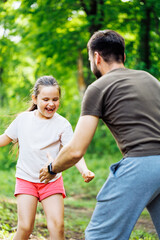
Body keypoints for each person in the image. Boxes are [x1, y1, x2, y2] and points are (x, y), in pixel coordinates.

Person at [39, 30, 160, 240]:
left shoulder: (98, 87)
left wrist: (52, 168)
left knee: (100, 236)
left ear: (96, 57)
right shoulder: (150, 79)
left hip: (141, 163)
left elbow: (76, 150)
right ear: (123, 56)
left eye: (89, 59)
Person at [0, 75, 95, 240]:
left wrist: (84, 170)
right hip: (26, 179)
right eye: (45, 99)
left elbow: (73, 151)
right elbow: (4, 139)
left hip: (51, 182)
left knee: (58, 228)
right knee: (25, 227)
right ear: (35, 99)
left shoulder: (62, 124)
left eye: (55, 99)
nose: (51, 103)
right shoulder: (23, 119)